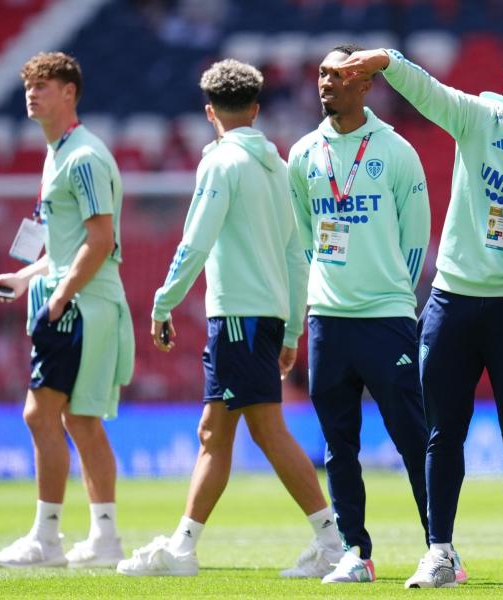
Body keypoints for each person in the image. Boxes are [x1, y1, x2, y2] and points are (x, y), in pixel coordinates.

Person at [337, 43, 503, 588]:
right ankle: (439, 551)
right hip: (451, 299)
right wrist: (386, 61)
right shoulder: (479, 117)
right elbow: (428, 91)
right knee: (443, 433)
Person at [116, 58, 343, 578]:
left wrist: (163, 301)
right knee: (213, 434)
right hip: (260, 317)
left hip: (237, 316)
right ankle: (182, 547)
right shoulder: (277, 166)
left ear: (209, 111)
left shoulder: (221, 163)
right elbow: (295, 254)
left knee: (264, 430)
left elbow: (196, 238)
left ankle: (333, 542)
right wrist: (290, 327)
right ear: (257, 109)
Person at [287, 44, 433, 585]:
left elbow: (415, 241)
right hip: (328, 318)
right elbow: (305, 236)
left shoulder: (396, 152)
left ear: (366, 84)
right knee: (337, 446)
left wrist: (390, 290)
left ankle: (439, 547)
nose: (327, 82)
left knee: (412, 437)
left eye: (340, 73)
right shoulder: (303, 154)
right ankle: (355, 552)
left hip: (386, 316)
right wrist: (324, 289)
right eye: (322, 72)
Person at [0, 52, 134, 569]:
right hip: (77, 301)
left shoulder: (84, 157)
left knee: (42, 414)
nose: (32, 93)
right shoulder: (60, 153)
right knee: (80, 420)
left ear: (70, 92)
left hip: (81, 307)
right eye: (29, 85)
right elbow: (68, 244)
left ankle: (47, 539)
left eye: (43, 84)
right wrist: (25, 277)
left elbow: (100, 239)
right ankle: (104, 538)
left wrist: (61, 294)